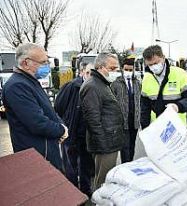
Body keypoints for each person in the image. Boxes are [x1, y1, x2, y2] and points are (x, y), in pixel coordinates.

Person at [2, 43, 68, 171]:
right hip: (37, 156)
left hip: (46, 150)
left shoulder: (30, 81)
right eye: (43, 62)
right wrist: (61, 131)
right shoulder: (17, 86)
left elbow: (49, 111)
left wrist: (61, 126)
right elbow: (37, 123)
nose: (47, 66)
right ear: (26, 63)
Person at [80, 53, 124, 191]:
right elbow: (93, 120)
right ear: (100, 67)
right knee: (103, 182)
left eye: (117, 68)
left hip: (109, 140)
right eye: (112, 68)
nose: (115, 72)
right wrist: (103, 145)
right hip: (104, 144)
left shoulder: (102, 83)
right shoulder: (93, 86)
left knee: (107, 179)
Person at [54, 63, 94, 197]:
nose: (90, 76)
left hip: (87, 135)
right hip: (72, 132)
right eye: (88, 73)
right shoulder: (71, 86)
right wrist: (67, 121)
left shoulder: (95, 88)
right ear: (82, 72)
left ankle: (85, 190)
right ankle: (72, 192)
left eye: (93, 74)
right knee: (70, 165)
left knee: (86, 164)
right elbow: (58, 106)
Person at [140, 45, 187, 132]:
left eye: (156, 63)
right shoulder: (146, 78)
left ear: (163, 58)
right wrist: (145, 130)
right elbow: (145, 108)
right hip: (157, 130)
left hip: (180, 129)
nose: (153, 67)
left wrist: (178, 106)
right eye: (150, 65)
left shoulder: (180, 74)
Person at [111, 56, 141, 163]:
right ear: (122, 70)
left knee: (132, 146)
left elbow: (139, 101)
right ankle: (125, 167)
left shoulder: (137, 83)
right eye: (126, 70)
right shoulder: (116, 84)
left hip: (134, 121)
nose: (128, 72)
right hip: (122, 122)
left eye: (130, 70)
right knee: (125, 147)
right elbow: (112, 103)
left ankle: (130, 165)